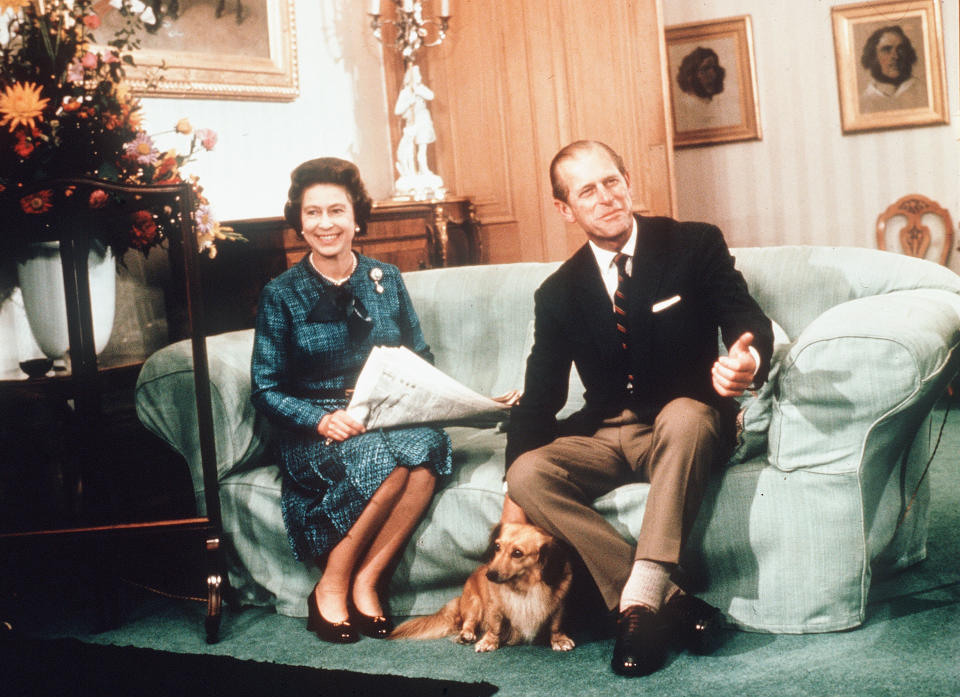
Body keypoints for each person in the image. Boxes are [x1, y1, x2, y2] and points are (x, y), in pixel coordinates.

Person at [501, 140, 773, 677]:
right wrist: (512, 497)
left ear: (628, 182)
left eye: (612, 182)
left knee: (687, 414)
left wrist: (750, 359)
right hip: (605, 435)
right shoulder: (557, 293)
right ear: (565, 209)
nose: (605, 198)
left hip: (684, 425)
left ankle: (638, 606)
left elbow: (744, 317)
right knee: (528, 471)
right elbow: (540, 398)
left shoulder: (692, 243)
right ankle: (672, 601)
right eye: (587, 191)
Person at [251, 157, 452, 644]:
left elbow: (418, 355)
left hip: (383, 416)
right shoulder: (281, 293)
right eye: (314, 213)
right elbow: (266, 388)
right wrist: (320, 421)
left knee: (428, 451)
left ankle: (366, 581)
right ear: (300, 222)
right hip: (315, 430)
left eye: (336, 211)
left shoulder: (386, 278)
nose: (326, 224)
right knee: (389, 463)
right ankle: (330, 588)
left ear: (356, 217)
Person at [859, 25, 926, 112]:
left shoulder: (923, 93)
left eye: (900, 49)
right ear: (873, 56)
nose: (895, 56)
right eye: (887, 50)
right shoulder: (863, 101)